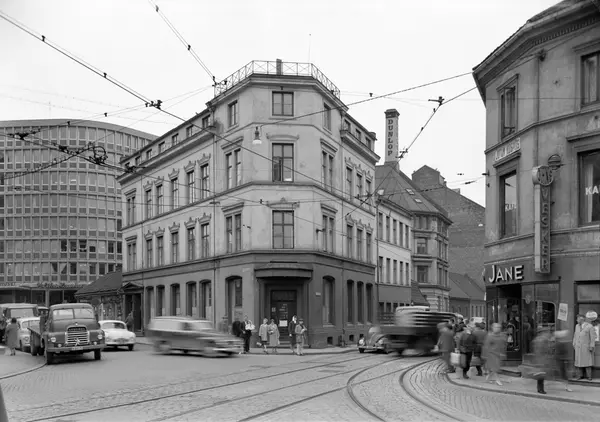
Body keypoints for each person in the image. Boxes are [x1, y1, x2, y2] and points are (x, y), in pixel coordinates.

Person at [573, 312, 596, 380]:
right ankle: (580, 376)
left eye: (577, 319)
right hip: (578, 347)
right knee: (579, 362)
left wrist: (591, 346)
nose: (576, 320)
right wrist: (574, 343)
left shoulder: (589, 326)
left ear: (581, 319)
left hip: (586, 347)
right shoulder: (577, 326)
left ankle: (589, 376)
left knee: (587, 362)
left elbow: (592, 338)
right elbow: (575, 335)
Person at [532, 326, 552, 395]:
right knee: (541, 375)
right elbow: (542, 350)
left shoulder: (538, 339)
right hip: (541, 359)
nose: (547, 333)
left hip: (539, 359)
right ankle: (541, 389)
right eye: (546, 332)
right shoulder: (542, 340)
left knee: (540, 375)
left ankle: (539, 389)